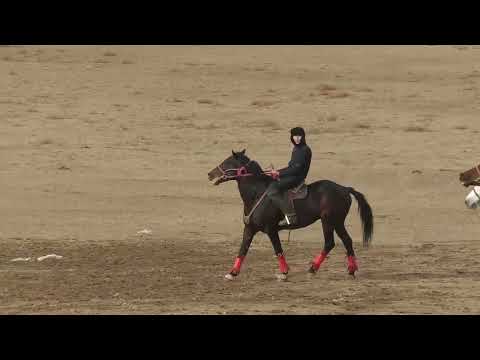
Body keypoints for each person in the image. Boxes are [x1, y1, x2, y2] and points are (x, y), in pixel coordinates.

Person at [266, 127, 312, 226]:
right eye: (295, 136)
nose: (297, 138)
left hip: (296, 178)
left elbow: (295, 169)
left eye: (299, 136)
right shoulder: (297, 148)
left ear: (303, 137)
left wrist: (278, 173)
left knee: (272, 191)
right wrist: (276, 172)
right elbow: (290, 167)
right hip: (292, 175)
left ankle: (290, 216)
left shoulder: (304, 150)